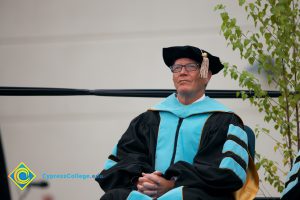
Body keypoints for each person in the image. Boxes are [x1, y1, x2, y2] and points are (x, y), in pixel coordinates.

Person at [96, 45, 259, 200]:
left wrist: (173, 184)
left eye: (191, 67)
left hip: (194, 195)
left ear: (207, 75)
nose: (182, 72)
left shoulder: (224, 120)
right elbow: (122, 162)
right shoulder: (149, 119)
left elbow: (226, 173)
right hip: (146, 193)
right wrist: (141, 181)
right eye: (177, 68)